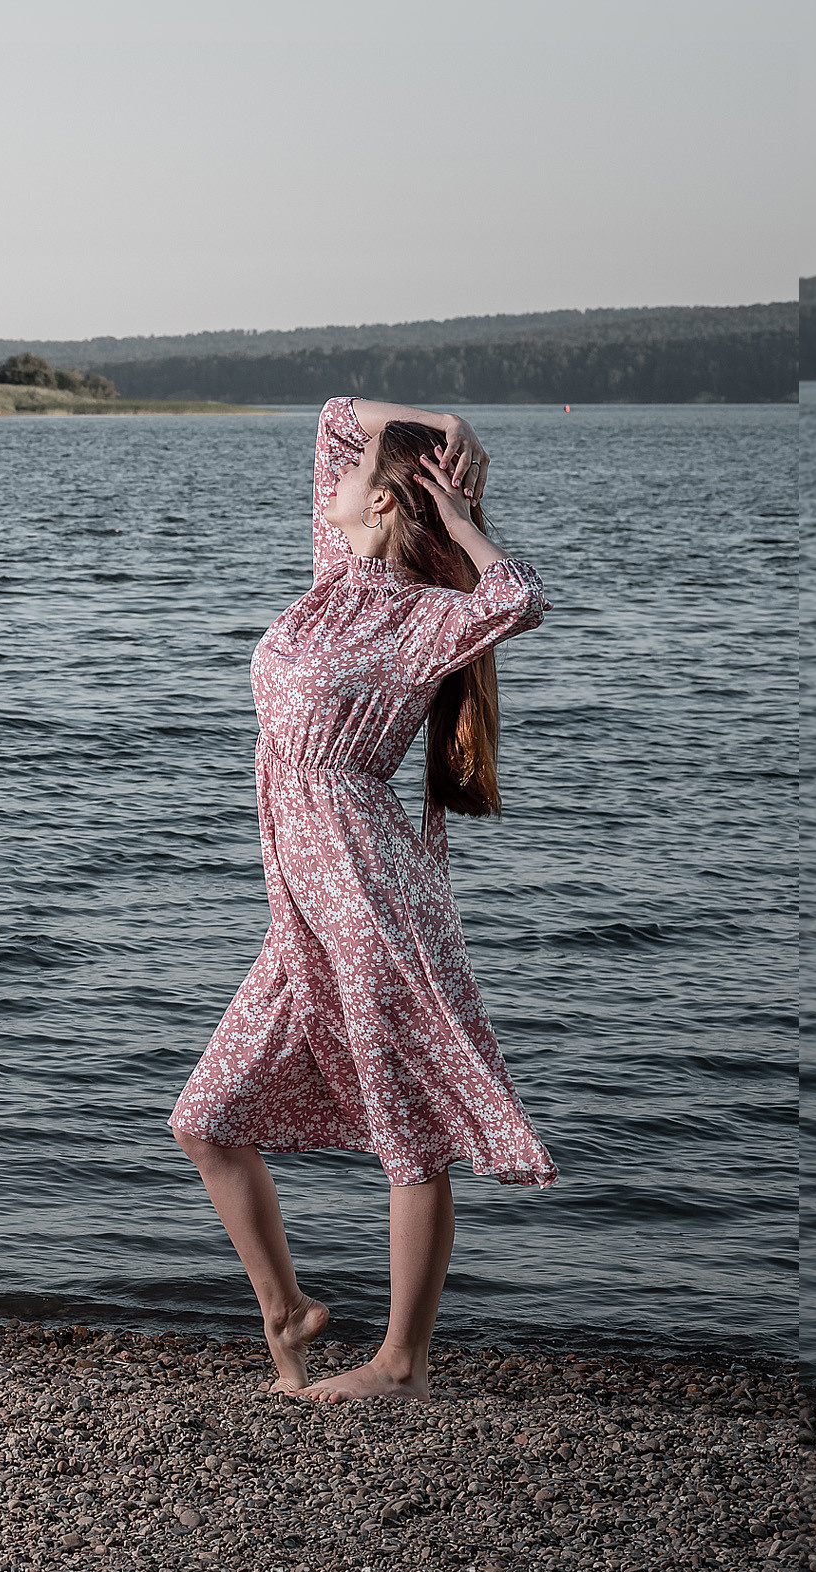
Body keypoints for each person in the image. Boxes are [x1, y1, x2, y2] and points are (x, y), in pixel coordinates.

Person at [168, 396, 556, 1404]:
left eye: (354, 479)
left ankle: (402, 1363)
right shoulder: (336, 578)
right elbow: (338, 416)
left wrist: (462, 520)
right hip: (305, 900)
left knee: (406, 1130)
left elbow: (517, 597)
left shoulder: (423, 618)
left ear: (385, 501)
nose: (329, 482)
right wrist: (444, 418)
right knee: (204, 1118)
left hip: (368, 895)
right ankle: (285, 1310)